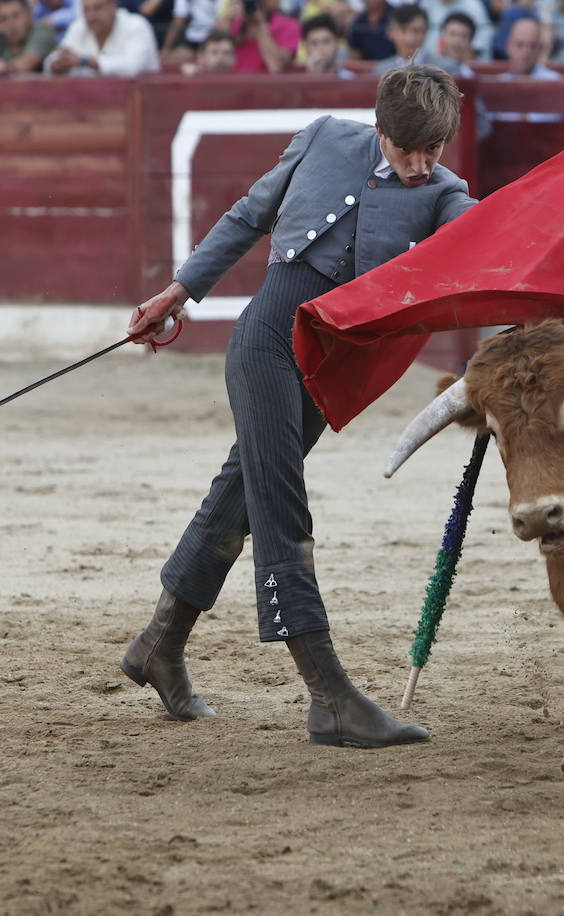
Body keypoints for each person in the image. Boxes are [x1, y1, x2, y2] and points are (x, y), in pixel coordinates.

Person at [121, 67, 476, 750]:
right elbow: (248, 216)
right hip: (264, 346)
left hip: (323, 373)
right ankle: (329, 695)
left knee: (240, 503)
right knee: (282, 508)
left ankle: (157, 647)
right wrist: (177, 292)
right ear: (381, 129)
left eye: (433, 151)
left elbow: (486, 245)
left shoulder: (445, 196)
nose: (420, 165)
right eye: (408, 150)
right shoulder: (321, 137)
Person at [44, 0, 158, 74]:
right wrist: (57, 65)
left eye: (98, 8)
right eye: (86, 10)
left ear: (114, 5)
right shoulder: (79, 26)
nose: (92, 15)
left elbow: (133, 67)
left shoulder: (137, 25)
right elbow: (52, 60)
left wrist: (86, 61)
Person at [372, 3, 459, 74]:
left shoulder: (446, 68)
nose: (410, 38)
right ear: (390, 32)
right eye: (403, 30)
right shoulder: (381, 71)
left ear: (426, 32)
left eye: (416, 31)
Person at [217, 0, 297, 72]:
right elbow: (213, 61)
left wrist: (261, 27)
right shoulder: (232, 23)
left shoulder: (287, 25)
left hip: (268, 86)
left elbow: (276, 66)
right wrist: (226, 21)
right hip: (232, 85)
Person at [420, 0, 492, 61]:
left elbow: (481, 39)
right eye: (452, 34)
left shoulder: (474, 5)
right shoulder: (427, 3)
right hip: (432, 62)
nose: (456, 41)